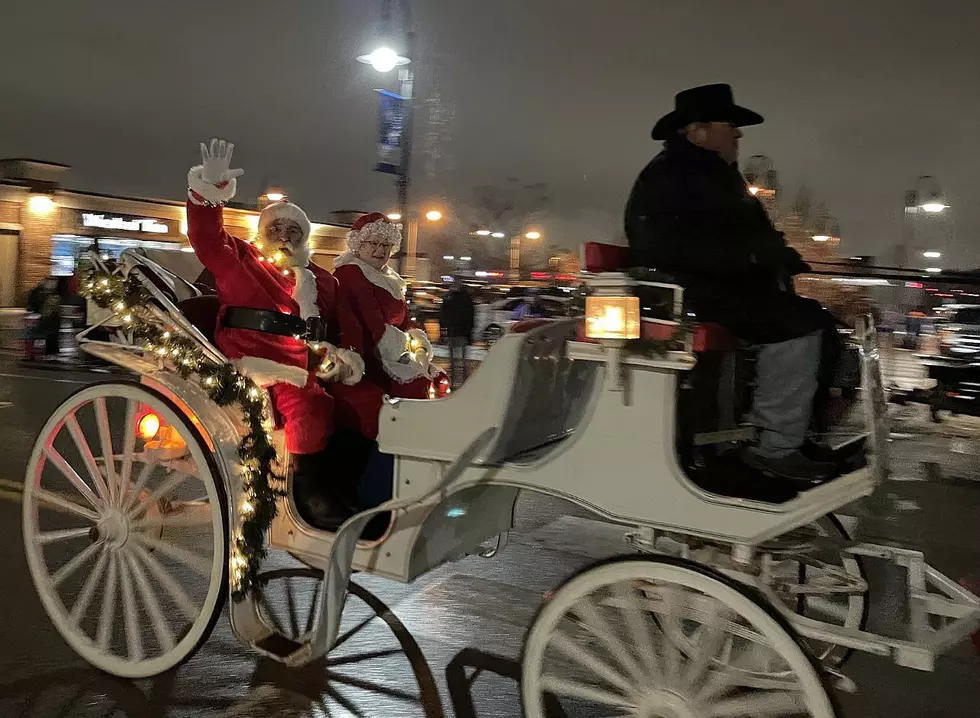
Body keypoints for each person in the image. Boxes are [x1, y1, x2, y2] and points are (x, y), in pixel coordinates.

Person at [624, 84, 839, 486]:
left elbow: (746, 234)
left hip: (713, 287)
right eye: (731, 125)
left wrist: (777, 256)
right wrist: (758, 259)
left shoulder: (708, 174)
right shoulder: (680, 175)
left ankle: (793, 435)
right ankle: (774, 448)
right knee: (799, 326)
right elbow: (677, 245)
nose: (738, 134)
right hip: (693, 292)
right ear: (697, 131)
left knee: (818, 322)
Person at [186, 138, 365, 530]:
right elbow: (206, 237)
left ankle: (348, 487)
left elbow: (336, 325)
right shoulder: (240, 259)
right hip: (253, 361)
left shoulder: (321, 280)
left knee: (358, 402)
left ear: (305, 237)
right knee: (308, 402)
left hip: (304, 359)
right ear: (263, 232)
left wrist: (341, 355)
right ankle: (307, 496)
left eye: (294, 231)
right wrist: (209, 194)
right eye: (277, 228)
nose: (284, 236)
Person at [332, 213, 445, 445]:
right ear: (358, 244)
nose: (380, 250)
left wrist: (419, 345)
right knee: (418, 391)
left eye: (385, 245)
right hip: (366, 355)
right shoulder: (351, 273)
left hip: (394, 353)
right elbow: (372, 326)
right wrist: (407, 350)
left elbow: (406, 320)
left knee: (438, 381)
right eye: (373, 243)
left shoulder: (389, 277)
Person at [439, 279, 475, 388]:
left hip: (453, 331)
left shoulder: (449, 297)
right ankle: (465, 382)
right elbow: (471, 315)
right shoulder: (466, 298)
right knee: (463, 359)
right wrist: (470, 329)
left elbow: (443, 314)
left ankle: (453, 381)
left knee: (453, 359)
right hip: (463, 331)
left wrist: (443, 329)